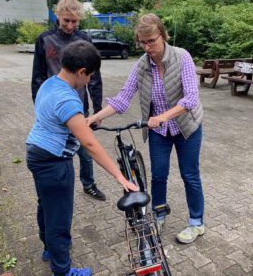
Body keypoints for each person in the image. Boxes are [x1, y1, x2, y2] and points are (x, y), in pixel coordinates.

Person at [26, 40, 138, 276]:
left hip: (36, 152)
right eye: (91, 76)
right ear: (81, 72)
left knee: (46, 206)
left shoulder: (49, 83)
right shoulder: (68, 100)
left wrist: (78, 122)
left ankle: (49, 249)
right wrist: (120, 177)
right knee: (59, 217)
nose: (90, 81)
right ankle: (62, 274)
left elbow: (53, 118)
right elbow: (90, 145)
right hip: (54, 162)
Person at [87, 13, 205, 244]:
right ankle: (159, 215)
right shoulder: (142, 65)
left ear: (162, 35)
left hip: (186, 127)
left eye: (151, 40)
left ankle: (196, 223)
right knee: (159, 175)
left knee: (190, 175)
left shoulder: (182, 57)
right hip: (159, 131)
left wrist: (162, 116)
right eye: (142, 42)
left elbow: (191, 98)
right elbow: (123, 98)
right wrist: (95, 117)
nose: (147, 46)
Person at [31, 0, 106, 201]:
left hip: (78, 107)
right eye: (66, 20)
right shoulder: (45, 40)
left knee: (85, 148)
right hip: (54, 108)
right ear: (57, 15)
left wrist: (98, 110)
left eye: (75, 21)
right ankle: (55, 187)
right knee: (56, 150)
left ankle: (89, 184)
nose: (71, 25)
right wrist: (39, 107)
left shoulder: (84, 39)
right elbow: (37, 77)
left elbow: (95, 77)